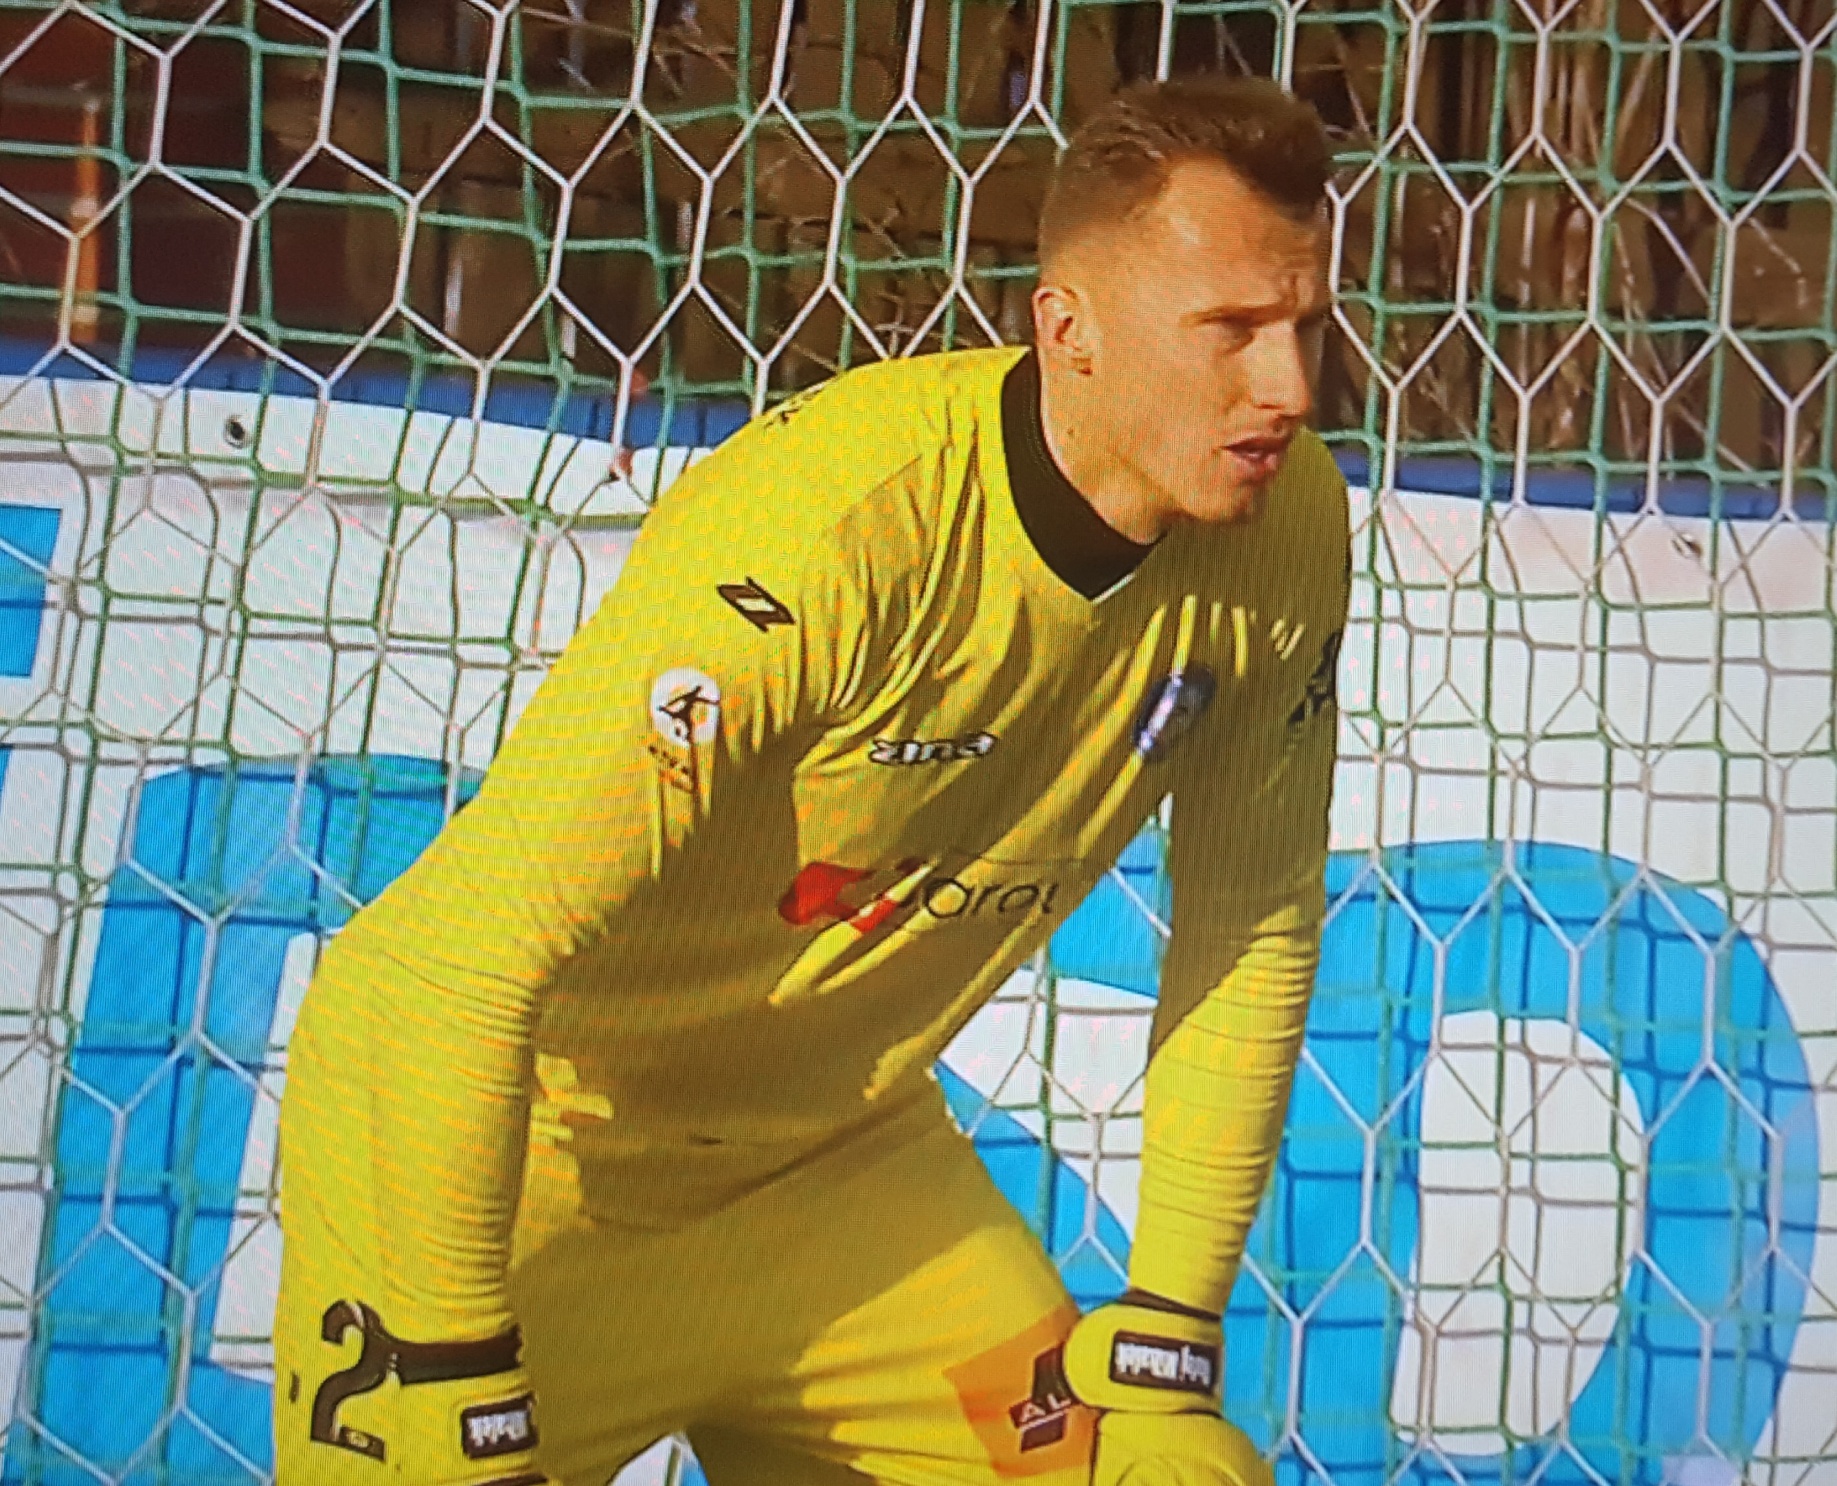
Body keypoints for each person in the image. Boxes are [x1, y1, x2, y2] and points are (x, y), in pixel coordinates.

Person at [272, 70, 1349, 1486]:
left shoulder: (1286, 525)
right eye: (1231, 330)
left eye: (1305, 326)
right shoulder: (828, 531)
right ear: (1067, 329)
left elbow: (1248, 926)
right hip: (514, 1165)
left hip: (835, 1174)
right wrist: (457, 1382)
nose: (1288, 388)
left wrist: (1169, 1332)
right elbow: (451, 975)